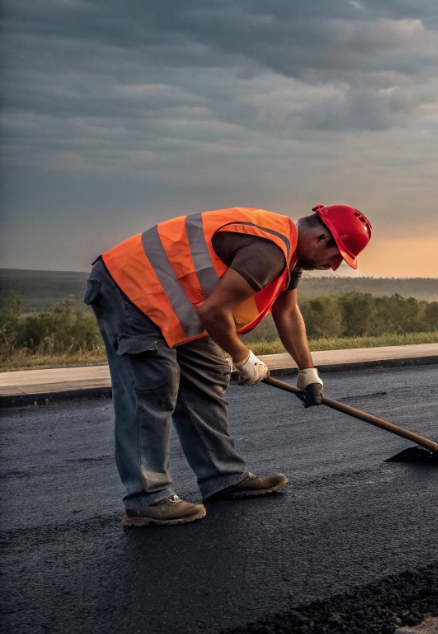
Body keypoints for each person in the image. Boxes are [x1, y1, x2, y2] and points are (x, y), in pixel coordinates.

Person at [86, 205, 372, 527]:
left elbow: (287, 312)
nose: (333, 267)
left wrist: (307, 370)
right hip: (130, 290)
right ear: (322, 238)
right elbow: (214, 311)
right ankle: (147, 499)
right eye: (337, 257)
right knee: (151, 389)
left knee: (206, 376)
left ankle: (222, 477)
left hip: (175, 303)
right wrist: (242, 357)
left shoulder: (288, 256)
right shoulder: (270, 249)